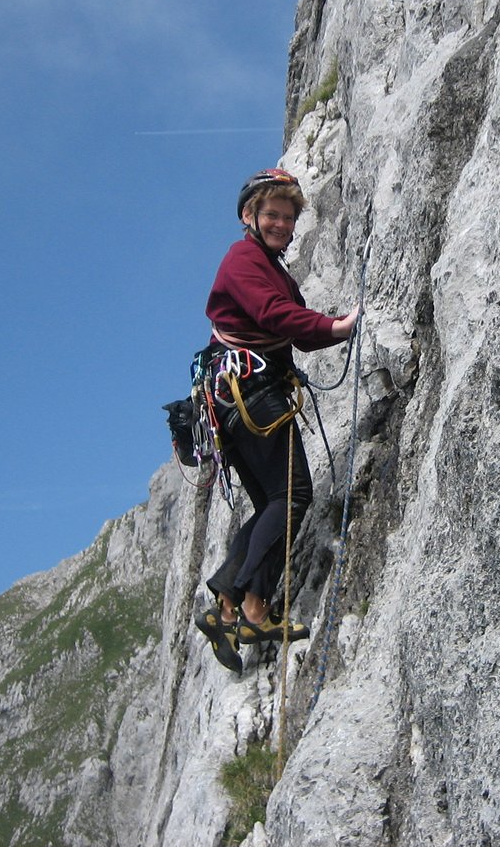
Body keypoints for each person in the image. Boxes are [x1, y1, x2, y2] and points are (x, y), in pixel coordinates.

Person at [194, 168, 360, 673]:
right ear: (249, 215)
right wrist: (338, 326)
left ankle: (228, 605)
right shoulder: (243, 260)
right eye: (272, 215)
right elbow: (273, 315)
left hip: (236, 399)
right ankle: (252, 606)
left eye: (288, 218)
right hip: (251, 396)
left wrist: (331, 329)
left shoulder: (274, 271)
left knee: (272, 501)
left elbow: (297, 332)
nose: (282, 225)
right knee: (293, 495)